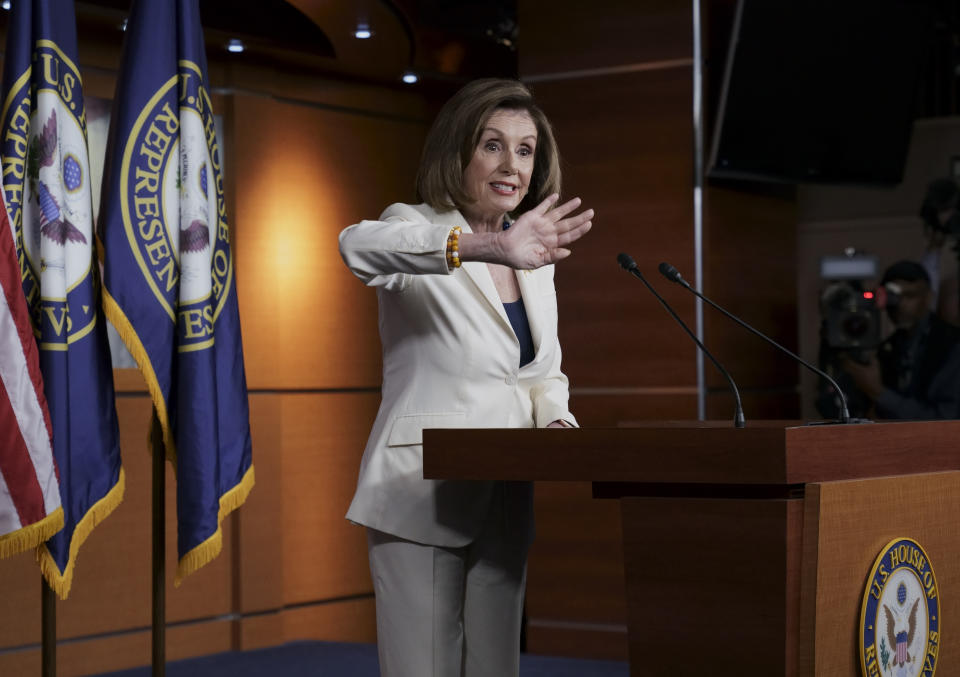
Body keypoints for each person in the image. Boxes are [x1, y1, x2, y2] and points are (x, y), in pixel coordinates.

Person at [338, 78, 593, 677]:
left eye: (526, 150)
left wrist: (555, 415)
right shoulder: (418, 227)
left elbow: (538, 370)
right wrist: (484, 248)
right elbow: (357, 246)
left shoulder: (534, 262)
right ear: (458, 153)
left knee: (495, 668)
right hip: (421, 487)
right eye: (493, 145)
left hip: (505, 490)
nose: (512, 166)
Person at [841, 260, 960, 419]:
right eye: (893, 297)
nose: (901, 304)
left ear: (928, 297)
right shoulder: (889, 347)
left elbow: (946, 418)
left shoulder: (951, 344)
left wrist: (878, 392)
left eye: (910, 295)